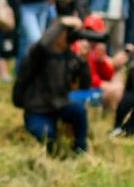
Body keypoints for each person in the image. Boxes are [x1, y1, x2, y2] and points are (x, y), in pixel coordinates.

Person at [13, 16, 92, 157]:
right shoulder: (39, 54)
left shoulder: (70, 57)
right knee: (47, 136)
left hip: (60, 105)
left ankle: (80, 150)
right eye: (67, 32)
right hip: (38, 109)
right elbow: (42, 43)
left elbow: (85, 87)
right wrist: (62, 24)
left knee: (79, 112)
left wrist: (84, 63)